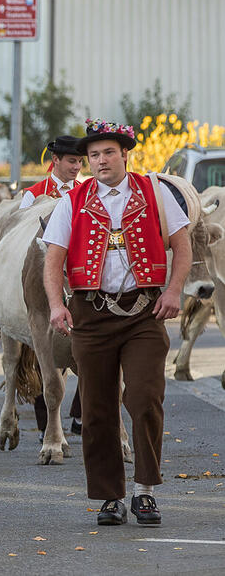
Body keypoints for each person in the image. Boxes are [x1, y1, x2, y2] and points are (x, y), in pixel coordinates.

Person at [42, 119, 190, 527]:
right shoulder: (71, 201)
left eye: (108, 153)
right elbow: (53, 258)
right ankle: (110, 498)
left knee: (144, 398)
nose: (101, 161)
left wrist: (174, 291)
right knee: (96, 410)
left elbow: (182, 244)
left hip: (145, 311)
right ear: (86, 161)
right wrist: (57, 305)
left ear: (125, 154)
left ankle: (145, 492)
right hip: (91, 313)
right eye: (93, 155)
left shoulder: (156, 193)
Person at [19, 135, 84, 438]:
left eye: (80, 162)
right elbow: (21, 239)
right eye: (71, 161)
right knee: (41, 348)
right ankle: (46, 421)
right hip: (42, 274)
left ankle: (81, 415)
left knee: (86, 349)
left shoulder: (86, 192)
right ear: (55, 161)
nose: (76, 167)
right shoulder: (33, 194)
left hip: (79, 277)